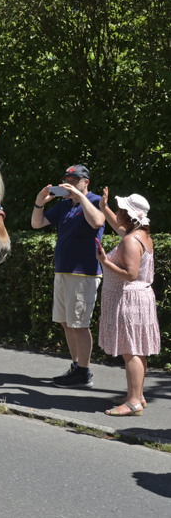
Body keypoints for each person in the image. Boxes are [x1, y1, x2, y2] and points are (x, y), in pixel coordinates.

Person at [31, 164, 106, 387]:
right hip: (63, 271)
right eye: (67, 179)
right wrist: (39, 202)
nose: (70, 183)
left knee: (80, 324)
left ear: (86, 182)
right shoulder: (64, 206)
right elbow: (37, 223)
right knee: (66, 322)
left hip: (84, 273)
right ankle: (76, 367)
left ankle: (83, 372)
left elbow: (98, 222)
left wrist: (79, 197)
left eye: (75, 179)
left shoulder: (94, 200)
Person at [95, 191, 159, 416]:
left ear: (129, 215)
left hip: (129, 299)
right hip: (139, 299)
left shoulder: (131, 240)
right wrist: (104, 207)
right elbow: (117, 226)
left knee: (130, 351)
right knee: (137, 351)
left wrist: (104, 262)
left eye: (121, 210)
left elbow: (130, 274)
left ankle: (133, 402)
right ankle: (138, 395)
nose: (118, 213)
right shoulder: (140, 234)